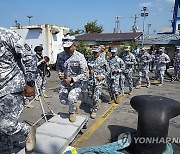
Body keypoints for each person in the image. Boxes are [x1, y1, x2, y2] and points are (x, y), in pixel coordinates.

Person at [0, 27, 37, 153]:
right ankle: (6, 150)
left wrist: (30, 82)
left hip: (12, 86)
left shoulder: (7, 35)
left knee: (6, 125)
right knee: (2, 127)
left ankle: (27, 131)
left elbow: (29, 57)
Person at [56, 35, 89, 122]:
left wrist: (73, 79)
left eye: (69, 47)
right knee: (63, 100)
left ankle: (72, 112)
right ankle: (75, 104)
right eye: (65, 47)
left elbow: (85, 74)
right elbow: (58, 66)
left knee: (71, 97)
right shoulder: (60, 55)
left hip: (76, 83)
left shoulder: (80, 57)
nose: (66, 49)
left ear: (74, 45)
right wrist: (60, 73)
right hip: (65, 83)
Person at [87, 46, 109, 119]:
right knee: (90, 95)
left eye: (96, 52)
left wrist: (102, 76)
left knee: (95, 96)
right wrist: (89, 71)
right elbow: (86, 69)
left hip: (98, 82)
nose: (95, 53)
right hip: (90, 81)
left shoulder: (103, 60)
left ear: (100, 52)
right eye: (94, 52)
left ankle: (94, 110)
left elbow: (108, 71)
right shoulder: (89, 59)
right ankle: (97, 101)